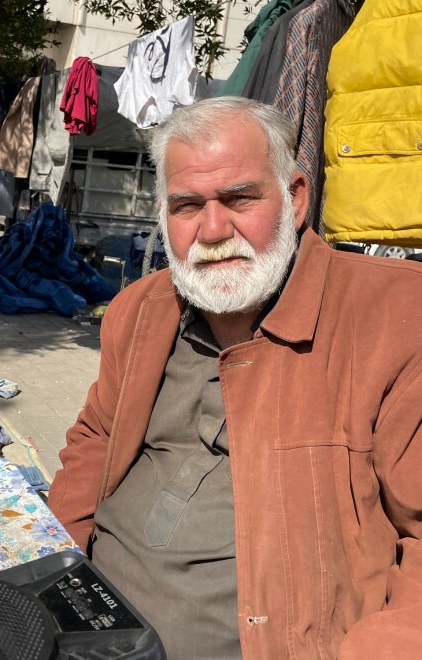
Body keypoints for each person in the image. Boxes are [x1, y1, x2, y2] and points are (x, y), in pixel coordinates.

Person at [48, 97, 422, 660]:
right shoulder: (140, 310)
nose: (214, 229)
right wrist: (41, 571)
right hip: (93, 626)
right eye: (187, 205)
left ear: (295, 198)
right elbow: (95, 439)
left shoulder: (395, 318)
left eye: (240, 198)